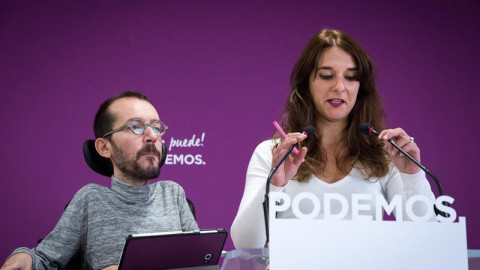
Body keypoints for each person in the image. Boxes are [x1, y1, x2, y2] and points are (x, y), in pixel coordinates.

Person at [230, 29, 436, 248]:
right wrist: (274, 185)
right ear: (306, 83)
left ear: (360, 87)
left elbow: (428, 240)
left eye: (350, 77)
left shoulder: (386, 155)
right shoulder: (272, 153)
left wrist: (412, 175)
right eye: (327, 75)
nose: (339, 86)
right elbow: (246, 244)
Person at [1, 91, 199, 270]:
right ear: (104, 147)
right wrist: (23, 256)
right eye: (136, 127)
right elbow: (43, 259)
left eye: (156, 127)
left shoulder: (173, 193)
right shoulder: (91, 199)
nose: (152, 136)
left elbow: (201, 262)